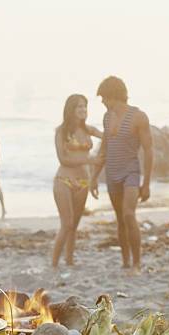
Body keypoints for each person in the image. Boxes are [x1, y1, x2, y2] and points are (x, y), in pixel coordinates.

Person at [90, 76, 153, 274]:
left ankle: (137, 263)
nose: (102, 103)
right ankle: (125, 261)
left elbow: (149, 150)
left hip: (131, 172)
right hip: (112, 173)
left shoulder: (138, 116)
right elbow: (104, 149)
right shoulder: (107, 117)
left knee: (128, 214)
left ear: (113, 96)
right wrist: (93, 177)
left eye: (104, 99)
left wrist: (147, 183)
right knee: (120, 218)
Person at [52, 94, 103, 268]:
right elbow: (63, 160)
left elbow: (109, 137)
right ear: (70, 110)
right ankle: (53, 264)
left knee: (74, 225)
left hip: (83, 182)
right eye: (79, 106)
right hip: (64, 180)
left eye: (85, 106)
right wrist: (90, 160)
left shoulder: (89, 130)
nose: (82, 110)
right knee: (66, 224)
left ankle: (69, 260)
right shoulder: (61, 131)